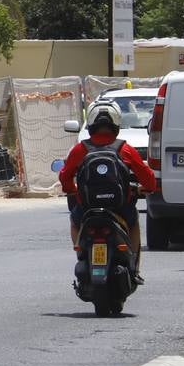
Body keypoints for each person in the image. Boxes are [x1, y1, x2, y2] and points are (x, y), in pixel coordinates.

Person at [59, 100, 157, 280]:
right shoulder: (124, 148)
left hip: (88, 208)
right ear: (116, 123)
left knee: (74, 221)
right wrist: (145, 189)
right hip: (120, 208)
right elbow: (148, 178)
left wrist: (72, 190)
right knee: (133, 223)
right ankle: (134, 267)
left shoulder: (80, 149)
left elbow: (65, 177)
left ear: (91, 123)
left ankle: (81, 254)